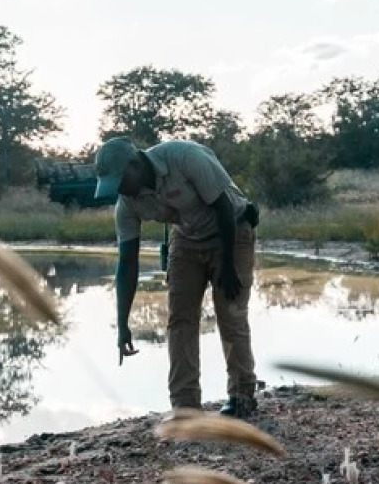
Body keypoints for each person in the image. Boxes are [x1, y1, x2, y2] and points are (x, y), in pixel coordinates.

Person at [94, 137, 261, 418]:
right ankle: (185, 404)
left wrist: (229, 266)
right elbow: (127, 264)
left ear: (135, 164)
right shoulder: (127, 204)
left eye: (121, 182)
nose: (121, 191)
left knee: (230, 313)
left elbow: (223, 207)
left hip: (231, 229)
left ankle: (242, 394)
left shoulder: (185, 157)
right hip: (185, 238)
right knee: (180, 318)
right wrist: (122, 323)